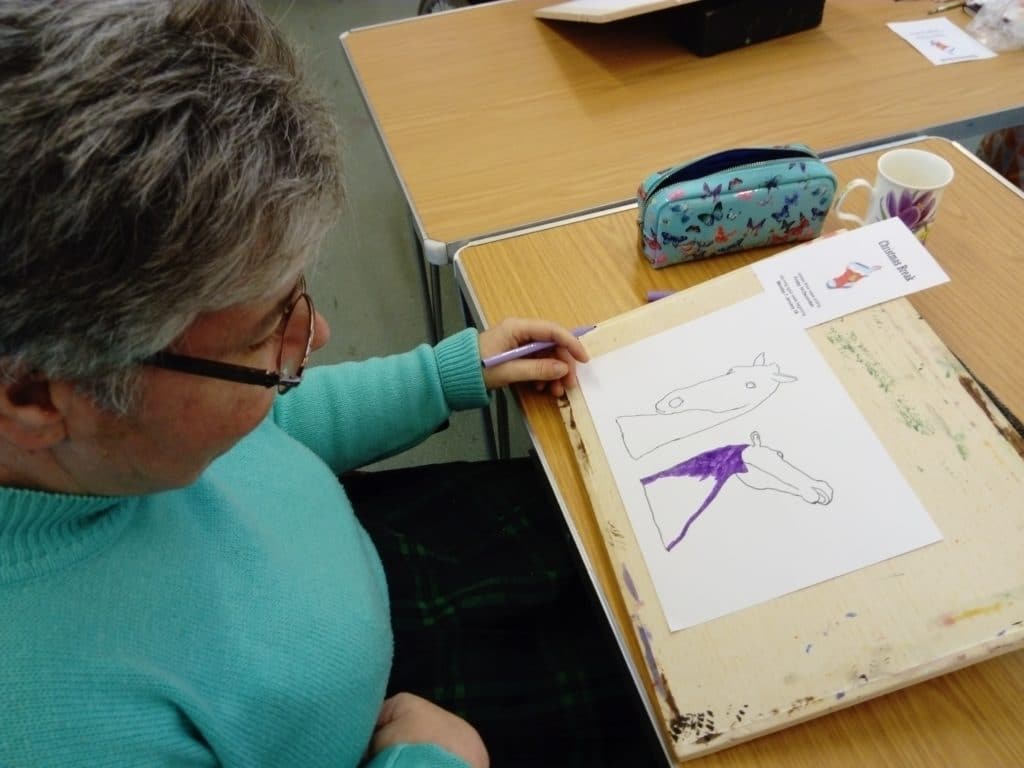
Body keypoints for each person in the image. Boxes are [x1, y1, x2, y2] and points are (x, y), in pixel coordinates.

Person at [0, 2, 660, 766]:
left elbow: (267, 428)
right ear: (34, 396)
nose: (316, 337)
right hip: (393, 729)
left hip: (373, 561)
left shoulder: (126, 431)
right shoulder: (60, 728)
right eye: (263, 333)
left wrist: (437, 376)